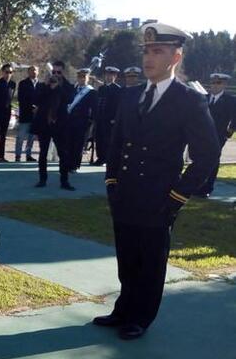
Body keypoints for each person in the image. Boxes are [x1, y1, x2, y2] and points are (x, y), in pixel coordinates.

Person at [94, 23, 220, 340]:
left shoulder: (189, 100)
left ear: (175, 56)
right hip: (125, 194)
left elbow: (206, 156)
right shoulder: (131, 94)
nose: (149, 58)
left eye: (158, 51)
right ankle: (123, 308)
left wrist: (176, 197)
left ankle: (140, 317)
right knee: (127, 257)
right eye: (147, 51)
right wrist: (112, 183)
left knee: (150, 261)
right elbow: (116, 142)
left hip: (159, 197)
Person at [198, 73, 236, 196]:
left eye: (218, 83)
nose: (214, 85)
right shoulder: (204, 98)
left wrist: (228, 133)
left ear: (224, 84)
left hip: (219, 136)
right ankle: (197, 185)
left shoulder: (230, 100)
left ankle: (207, 188)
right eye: (213, 82)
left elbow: (234, 118)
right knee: (200, 159)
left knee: (213, 160)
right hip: (202, 135)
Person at [32, 74, 72, 189]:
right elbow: (36, 100)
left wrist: (59, 86)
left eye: (56, 79)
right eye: (52, 79)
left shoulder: (63, 90)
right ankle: (42, 179)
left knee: (62, 153)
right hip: (44, 125)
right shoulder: (43, 88)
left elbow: (69, 98)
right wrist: (46, 85)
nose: (53, 81)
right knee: (43, 153)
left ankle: (64, 181)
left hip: (59, 126)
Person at [64, 68, 98, 173]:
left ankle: (74, 166)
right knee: (69, 143)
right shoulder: (73, 89)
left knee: (78, 145)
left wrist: (91, 121)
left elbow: (94, 108)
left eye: (84, 77)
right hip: (70, 121)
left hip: (82, 122)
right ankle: (67, 164)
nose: (81, 79)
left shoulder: (91, 92)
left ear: (88, 78)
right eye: (80, 76)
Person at [93, 66, 122, 166]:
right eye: (107, 74)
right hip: (100, 118)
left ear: (115, 76)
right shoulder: (102, 88)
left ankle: (106, 158)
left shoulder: (117, 89)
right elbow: (98, 102)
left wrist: (114, 119)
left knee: (107, 139)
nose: (109, 77)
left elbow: (118, 106)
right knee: (99, 138)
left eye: (111, 75)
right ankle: (100, 157)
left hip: (110, 119)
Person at [15, 65, 39, 162]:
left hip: (36, 116)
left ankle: (28, 155)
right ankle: (18, 155)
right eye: (32, 70)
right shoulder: (23, 83)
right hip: (25, 114)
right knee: (21, 136)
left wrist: (38, 108)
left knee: (31, 137)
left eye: (35, 70)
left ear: (38, 72)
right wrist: (31, 107)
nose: (33, 72)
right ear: (28, 72)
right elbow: (21, 98)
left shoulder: (41, 85)